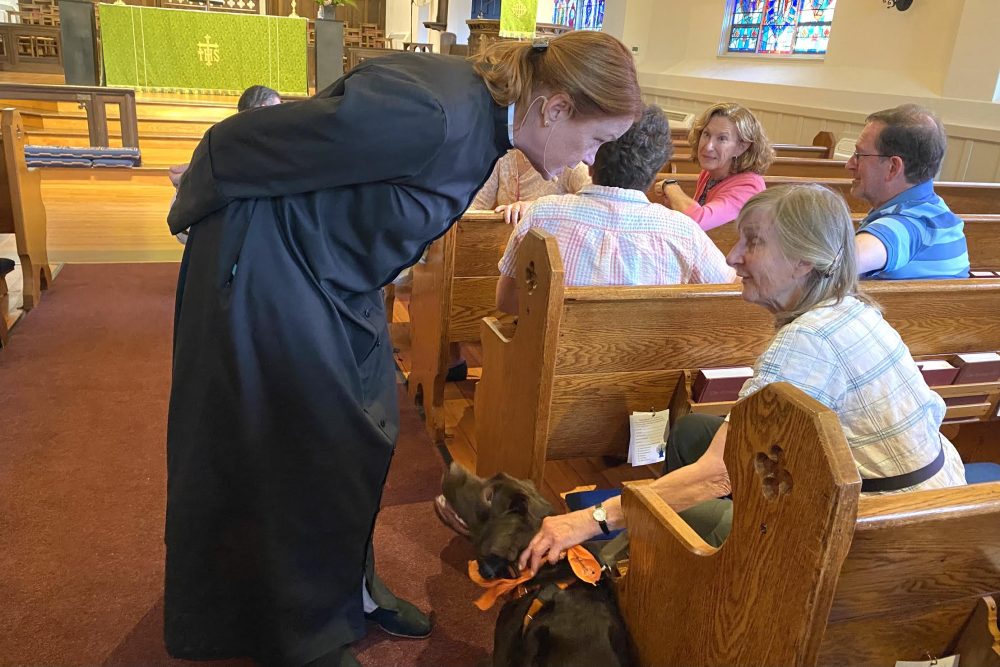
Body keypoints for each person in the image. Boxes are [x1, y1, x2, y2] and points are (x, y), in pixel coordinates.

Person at [165, 32, 642, 667]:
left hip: (335, 274)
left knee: (366, 432)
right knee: (306, 446)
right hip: (269, 266)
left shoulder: (488, 124)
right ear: (555, 108)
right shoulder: (431, 111)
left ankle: (350, 593)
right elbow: (239, 143)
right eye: (596, 138)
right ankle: (305, 635)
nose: (592, 155)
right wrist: (193, 210)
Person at [519, 183, 966, 575]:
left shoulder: (805, 344)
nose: (733, 257)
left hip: (877, 540)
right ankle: (666, 575)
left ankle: (635, 573)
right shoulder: (851, 306)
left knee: (678, 520)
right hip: (917, 498)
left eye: (752, 243)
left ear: (803, 261)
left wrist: (591, 520)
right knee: (694, 432)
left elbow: (716, 477)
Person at [495, 104, 736, 315]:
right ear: (655, 171)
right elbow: (730, 292)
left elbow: (506, 301)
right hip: (645, 364)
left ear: (589, 158)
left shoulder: (542, 214)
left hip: (556, 362)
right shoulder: (684, 231)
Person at [849, 104, 970, 279]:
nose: (850, 164)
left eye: (859, 155)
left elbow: (840, 264)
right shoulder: (936, 210)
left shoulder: (906, 224)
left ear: (893, 167)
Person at [170, 85, 282, 244]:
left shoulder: (215, 142)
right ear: (264, 110)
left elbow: (182, 230)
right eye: (279, 112)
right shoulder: (275, 153)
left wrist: (190, 180)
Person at [658, 102, 774, 231]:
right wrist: (676, 203)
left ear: (741, 147)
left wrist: (671, 186)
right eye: (706, 134)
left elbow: (697, 222)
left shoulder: (749, 187)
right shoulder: (711, 172)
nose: (708, 146)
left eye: (722, 138)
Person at [470, 148, 591, 225]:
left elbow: (596, 201)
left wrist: (538, 206)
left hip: (551, 255)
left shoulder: (570, 161)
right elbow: (475, 207)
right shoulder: (502, 155)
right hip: (502, 254)